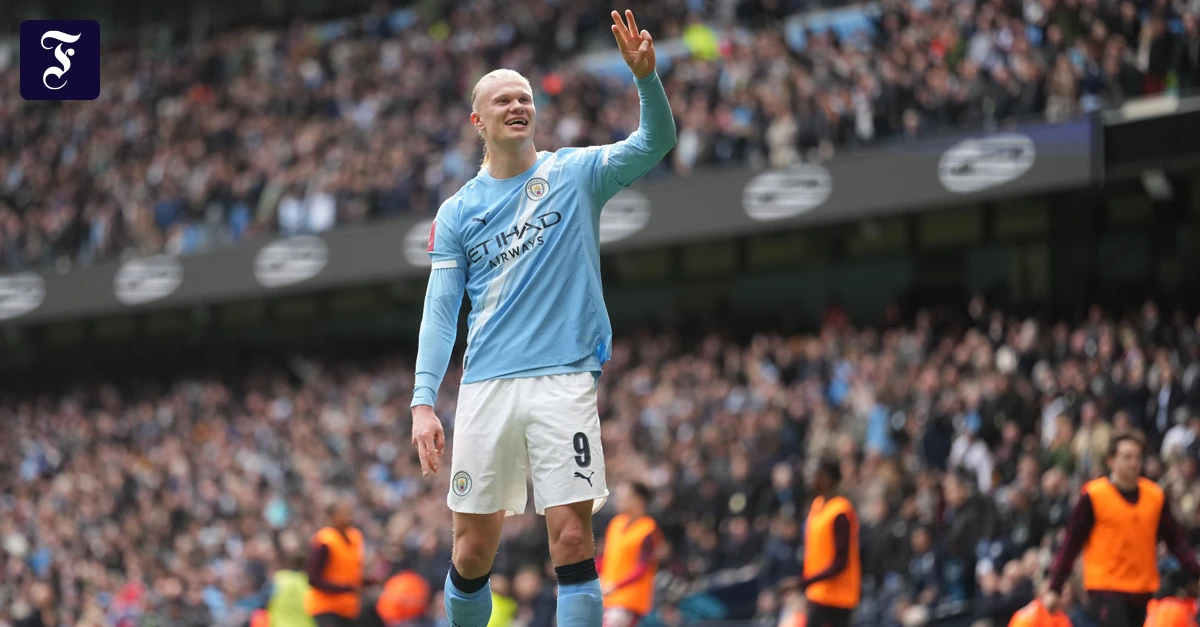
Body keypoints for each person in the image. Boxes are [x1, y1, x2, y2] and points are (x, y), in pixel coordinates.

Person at [408, 8, 675, 627]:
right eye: (503, 99)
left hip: (564, 382)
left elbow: (654, 142)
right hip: (486, 387)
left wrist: (646, 80)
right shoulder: (458, 212)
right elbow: (441, 311)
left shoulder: (574, 173)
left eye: (525, 97)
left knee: (573, 542)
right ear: (479, 120)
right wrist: (424, 402)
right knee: (472, 551)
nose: (517, 105)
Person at [1043, 432, 1200, 627]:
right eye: (1127, 457)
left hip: (1142, 588)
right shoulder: (1094, 496)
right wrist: (1055, 587)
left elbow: (1176, 539)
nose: (1134, 462)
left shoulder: (1154, 496)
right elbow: (1071, 543)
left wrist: (1195, 572)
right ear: (1111, 461)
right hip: (1106, 586)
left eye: (1137, 457)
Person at [799, 460, 861, 627]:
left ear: (826, 478)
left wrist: (805, 581)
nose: (808, 478)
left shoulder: (840, 511)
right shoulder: (817, 505)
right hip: (819, 593)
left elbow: (841, 561)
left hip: (838, 596)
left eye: (813, 474)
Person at [598, 482, 664, 627]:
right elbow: (606, 559)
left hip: (629, 600)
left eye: (623, 496)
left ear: (638, 500)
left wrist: (617, 585)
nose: (618, 500)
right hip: (609, 597)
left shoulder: (648, 529)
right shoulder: (616, 523)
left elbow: (643, 567)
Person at [304, 499, 366, 627]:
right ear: (332, 516)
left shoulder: (355, 537)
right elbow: (313, 578)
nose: (348, 516)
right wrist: (344, 588)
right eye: (343, 513)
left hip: (349, 608)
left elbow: (353, 573)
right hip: (326, 607)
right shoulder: (326, 541)